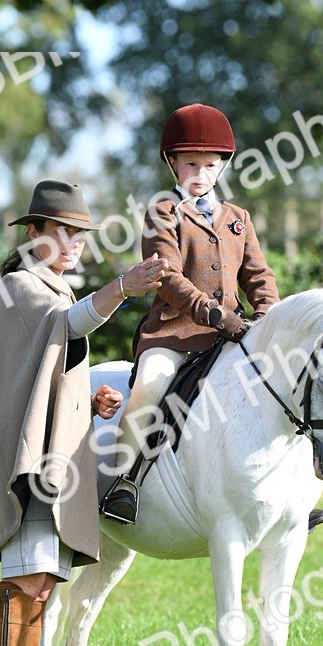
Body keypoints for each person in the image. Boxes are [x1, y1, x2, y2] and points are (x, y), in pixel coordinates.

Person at [0, 180, 167, 646]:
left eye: (78, 236)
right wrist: (124, 288)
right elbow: (69, 326)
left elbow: (37, 379)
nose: (70, 245)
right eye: (58, 232)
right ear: (32, 233)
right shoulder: (21, 286)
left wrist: (87, 399)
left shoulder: (48, 287)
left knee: (41, 581)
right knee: (27, 580)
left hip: (51, 452)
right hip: (32, 459)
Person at [100, 102, 281, 525]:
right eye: (191, 164)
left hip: (234, 335)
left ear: (222, 166)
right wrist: (217, 315)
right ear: (173, 165)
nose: (201, 174)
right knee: (149, 385)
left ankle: (288, 494)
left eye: (209, 165)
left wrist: (269, 316)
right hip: (174, 335)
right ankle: (123, 482)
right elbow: (167, 279)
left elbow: (259, 274)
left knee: (287, 383)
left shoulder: (238, 218)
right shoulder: (162, 214)